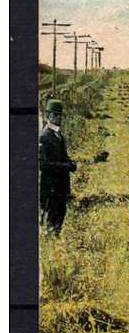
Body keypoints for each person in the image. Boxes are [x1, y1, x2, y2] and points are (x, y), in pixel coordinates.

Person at [39, 99, 77, 236]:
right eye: (55, 115)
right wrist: (65, 166)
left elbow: (63, 156)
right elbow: (43, 165)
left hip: (61, 184)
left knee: (61, 212)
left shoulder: (59, 135)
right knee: (53, 215)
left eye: (60, 115)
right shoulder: (44, 137)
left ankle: (55, 237)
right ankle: (52, 241)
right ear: (48, 116)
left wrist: (70, 163)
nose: (59, 117)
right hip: (51, 185)